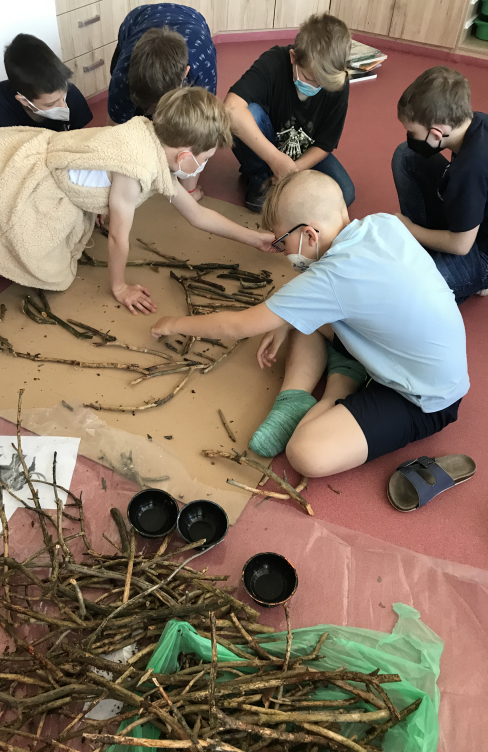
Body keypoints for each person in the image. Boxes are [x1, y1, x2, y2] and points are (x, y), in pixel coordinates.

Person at [151, 171, 468, 478]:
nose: (284, 253)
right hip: (414, 359)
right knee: (300, 317)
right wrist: (284, 322)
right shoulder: (381, 223)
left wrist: (174, 323)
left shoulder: (331, 279)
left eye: (283, 243)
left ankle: (337, 390)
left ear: (309, 235)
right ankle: (308, 391)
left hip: (425, 399)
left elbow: (237, 326)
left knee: (304, 453)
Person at [0, 88, 275, 315]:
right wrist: (119, 286)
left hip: (23, 163)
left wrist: (253, 237)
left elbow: (196, 214)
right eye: (206, 158)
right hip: (11, 191)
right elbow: (118, 237)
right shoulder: (135, 170)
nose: (205, 164)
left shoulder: (149, 136)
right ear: (184, 156)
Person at [224, 13, 354, 213]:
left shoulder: (337, 82)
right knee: (250, 113)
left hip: (302, 154)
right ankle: (259, 176)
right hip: (266, 147)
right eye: (309, 78)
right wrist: (275, 159)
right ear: (294, 57)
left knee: (344, 193)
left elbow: (325, 143)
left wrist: (294, 170)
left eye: (323, 84)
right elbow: (230, 109)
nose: (315, 87)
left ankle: (283, 183)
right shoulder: (274, 62)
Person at [392, 66, 488, 300]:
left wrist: (409, 229)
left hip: (477, 249)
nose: (410, 136)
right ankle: (427, 246)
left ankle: (477, 278)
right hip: (472, 218)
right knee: (406, 155)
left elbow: (461, 246)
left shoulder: (469, 170)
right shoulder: (476, 122)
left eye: (412, 132)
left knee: (409, 291)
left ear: (436, 133)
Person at [108, 4, 217, 200]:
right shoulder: (123, 76)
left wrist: (189, 193)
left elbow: (201, 129)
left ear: (185, 73)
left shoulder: (202, 68)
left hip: (193, 22)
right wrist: (110, 186)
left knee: (192, 123)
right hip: (137, 20)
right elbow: (115, 128)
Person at [0, 34, 93, 132]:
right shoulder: (0, 101)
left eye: (63, 96)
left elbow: (85, 136)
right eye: (51, 104)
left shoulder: (70, 92)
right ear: (24, 100)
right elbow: (6, 143)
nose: (63, 105)